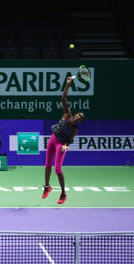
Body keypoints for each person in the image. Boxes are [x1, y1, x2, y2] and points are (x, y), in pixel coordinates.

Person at [42, 76, 85, 204]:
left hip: (60, 145)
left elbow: (69, 140)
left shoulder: (75, 130)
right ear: (75, 114)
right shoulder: (67, 114)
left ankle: (63, 193)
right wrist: (68, 84)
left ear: (80, 121)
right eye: (78, 115)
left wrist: (66, 145)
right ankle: (47, 187)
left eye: (81, 118)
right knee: (47, 165)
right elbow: (63, 98)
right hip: (53, 139)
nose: (78, 117)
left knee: (57, 169)